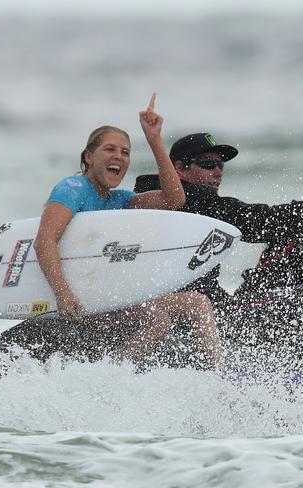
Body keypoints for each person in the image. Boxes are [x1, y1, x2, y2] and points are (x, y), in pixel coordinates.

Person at [32, 98, 223, 369]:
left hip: (113, 297)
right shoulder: (72, 188)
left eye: (125, 152)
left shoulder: (120, 200)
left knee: (198, 303)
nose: (119, 157)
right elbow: (44, 241)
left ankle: (213, 376)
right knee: (157, 319)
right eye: (110, 149)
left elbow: (174, 200)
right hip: (82, 300)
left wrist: (154, 139)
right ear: (89, 156)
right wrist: (63, 294)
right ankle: (113, 379)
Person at [133, 132, 303, 305]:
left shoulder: (145, 198)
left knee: (301, 231)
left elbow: (268, 223)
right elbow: (263, 221)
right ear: (179, 168)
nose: (218, 172)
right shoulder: (195, 201)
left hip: (204, 303)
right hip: (198, 315)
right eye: (208, 164)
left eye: (221, 166)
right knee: (295, 237)